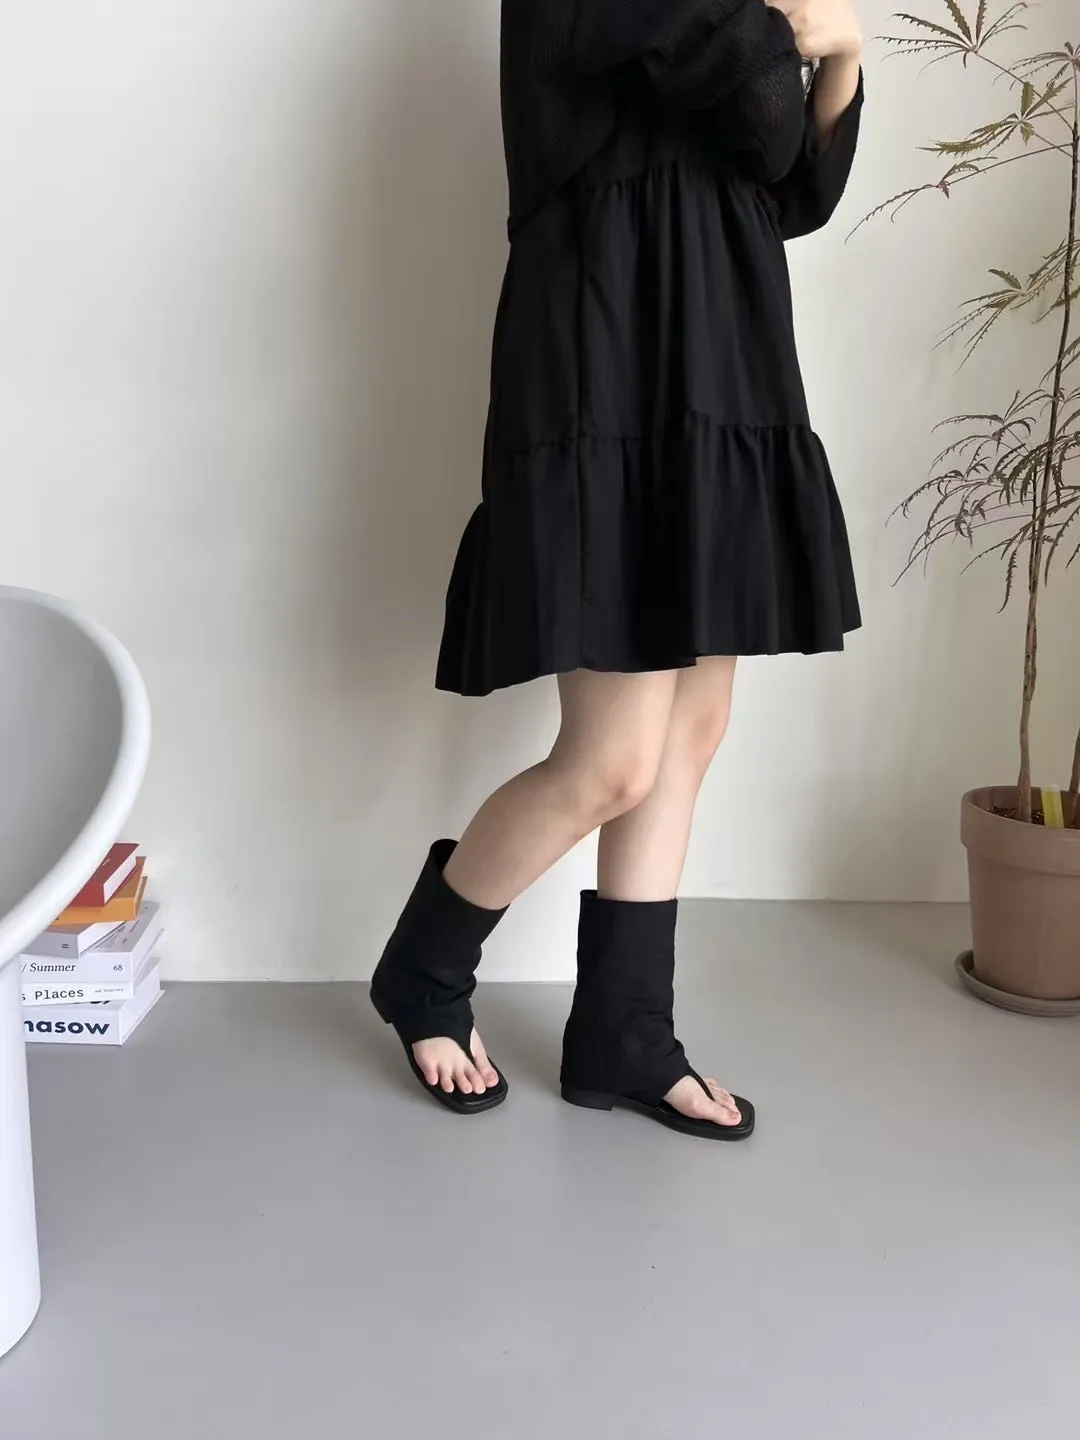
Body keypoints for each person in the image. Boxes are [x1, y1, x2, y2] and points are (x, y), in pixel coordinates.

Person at [371, 0, 864, 1140]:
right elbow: (713, 56)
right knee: (612, 761)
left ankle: (625, 1032)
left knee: (692, 729)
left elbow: (792, 187)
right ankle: (425, 968)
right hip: (607, 339)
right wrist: (797, 30)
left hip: (724, 335)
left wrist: (842, 52)